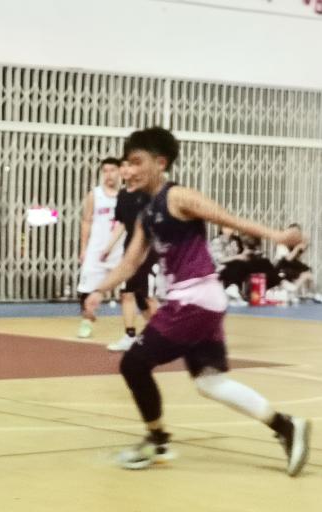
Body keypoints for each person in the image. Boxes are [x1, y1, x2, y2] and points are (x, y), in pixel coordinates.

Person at [84, 127, 310, 475]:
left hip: (193, 299)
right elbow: (130, 262)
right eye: (127, 163)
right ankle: (287, 427)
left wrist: (277, 235)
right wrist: (99, 291)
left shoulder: (178, 197)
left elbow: (227, 218)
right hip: (200, 301)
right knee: (209, 382)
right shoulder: (146, 213)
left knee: (134, 364)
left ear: (161, 163)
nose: (129, 170)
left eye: (137, 162)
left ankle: (157, 441)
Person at [101, 159, 159, 352]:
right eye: (123, 166)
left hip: (149, 250)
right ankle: (130, 335)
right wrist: (109, 247)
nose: (126, 169)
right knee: (127, 293)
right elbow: (122, 224)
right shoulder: (123, 195)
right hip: (129, 251)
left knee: (146, 297)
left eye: (129, 165)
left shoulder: (147, 193)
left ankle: (164, 336)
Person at [76, 157, 123, 338]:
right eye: (105, 171)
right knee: (86, 289)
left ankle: (131, 330)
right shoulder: (95, 195)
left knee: (129, 293)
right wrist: (83, 248)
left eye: (112, 170)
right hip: (96, 251)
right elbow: (86, 221)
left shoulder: (126, 195)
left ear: (120, 172)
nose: (109, 174)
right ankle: (86, 321)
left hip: (119, 252)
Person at [274, 223, 321, 303]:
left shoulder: (295, 244)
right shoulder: (282, 244)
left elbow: (296, 259)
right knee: (305, 273)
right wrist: (298, 247)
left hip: (291, 266)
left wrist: (303, 247)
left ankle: (310, 294)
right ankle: (293, 290)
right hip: (281, 267)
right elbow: (288, 259)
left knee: (308, 272)